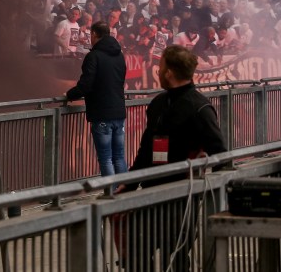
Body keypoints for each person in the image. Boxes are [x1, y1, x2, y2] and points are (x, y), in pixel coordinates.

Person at [130, 45, 226, 181]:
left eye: (161, 67)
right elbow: (146, 147)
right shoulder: (158, 103)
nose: (159, 72)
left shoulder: (200, 108)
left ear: (169, 73)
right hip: (153, 189)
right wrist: (130, 183)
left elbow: (220, 153)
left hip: (185, 193)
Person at [65, 21, 128, 177]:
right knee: (119, 156)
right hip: (119, 112)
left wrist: (69, 95)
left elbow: (86, 84)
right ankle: (124, 192)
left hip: (102, 113)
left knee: (105, 158)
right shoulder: (120, 55)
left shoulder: (93, 56)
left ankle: (111, 194)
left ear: (93, 34)